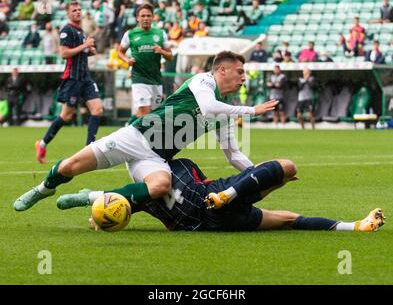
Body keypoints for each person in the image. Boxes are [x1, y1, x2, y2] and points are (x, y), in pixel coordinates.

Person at [13, 51, 279, 212]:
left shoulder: (227, 111)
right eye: (240, 71)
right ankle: (44, 188)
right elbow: (207, 108)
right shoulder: (203, 81)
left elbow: (233, 155)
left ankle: (92, 197)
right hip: (135, 138)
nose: (244, 77)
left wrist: (259, 172)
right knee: (70, 166)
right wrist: (251, 110)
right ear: (222, 70)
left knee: (160, 186)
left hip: (156, 158)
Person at [56, 157, 385, 233]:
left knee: (287, 220)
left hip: (211, 223)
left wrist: (98, 213)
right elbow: (118, 201)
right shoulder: (178, 166)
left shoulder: (140, 194)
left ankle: (356, 226)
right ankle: (353, 226)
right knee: (285, 166)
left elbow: (118, 203)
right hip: (215, 198)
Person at [34, 0, 103, 164]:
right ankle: (42, 144)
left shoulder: (82, 31)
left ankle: (89, 147)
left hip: (85, 77)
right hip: (72, 78)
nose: (78, 12)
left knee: (97, 110)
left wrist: (90, 51)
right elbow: (64, 53)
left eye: (79, 10)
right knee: (66, 115)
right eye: (74, 10)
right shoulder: (67, 30)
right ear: (68, 13)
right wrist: (85, 45)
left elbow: (81, 53)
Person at [117, 4, 173, 123]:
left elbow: (170, 56)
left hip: (155, 79)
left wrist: (161, 51)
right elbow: (120, 52)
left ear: (153, 17)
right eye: (143, 16)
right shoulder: (130, 34)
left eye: (148, 15)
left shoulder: (160, 33)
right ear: (137, 17)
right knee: (145, 112)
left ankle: (130, 127)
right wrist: (127, 60)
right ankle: (144, 140)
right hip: (139, 78)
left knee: (153, 113)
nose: (146, 18)